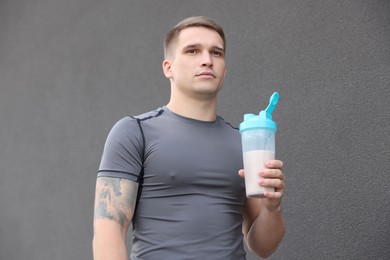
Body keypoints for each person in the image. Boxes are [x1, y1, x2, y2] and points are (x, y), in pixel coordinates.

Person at [93, 16, 285, 260]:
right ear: (168, 67)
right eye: (193, 51)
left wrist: (272, 205)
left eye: (216, 53)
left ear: (224, 69)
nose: (207, 60)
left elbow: (263, 247)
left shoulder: (243, 142)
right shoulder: (134, 132)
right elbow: (108, 229)